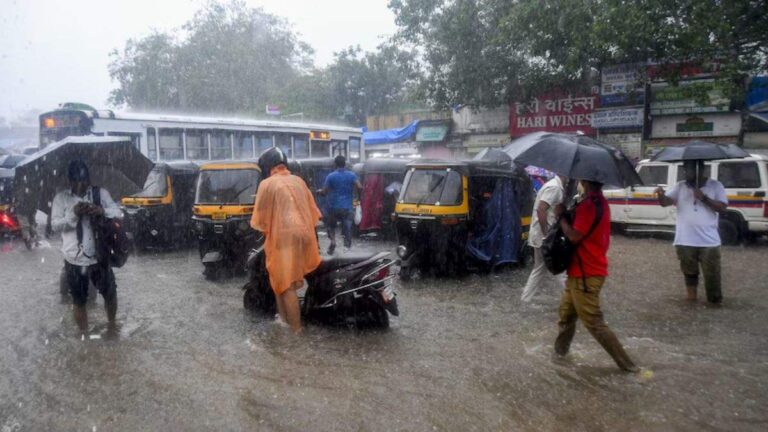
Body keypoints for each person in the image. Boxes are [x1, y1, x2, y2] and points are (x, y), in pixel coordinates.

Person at [553, 179, 638, 372]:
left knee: (594, 322)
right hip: (581, 272)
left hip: (586, 274)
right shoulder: (598, 201)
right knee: (566, 317)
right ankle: (559, 357)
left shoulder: (589, 205)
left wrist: (561, 218)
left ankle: (629, 367)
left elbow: (574, 236)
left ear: (584, 181)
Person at [250, 148, 322, 334]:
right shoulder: (299, 181)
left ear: (267, 166)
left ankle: (296, 331)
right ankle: (282, 320)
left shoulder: (267, 184)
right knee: (278, 279)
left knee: (287, 284)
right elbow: (313, 211)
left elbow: (261, 218)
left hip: (284, 236)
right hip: (304, 234)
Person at [51, 160, 122, 336]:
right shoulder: (61, 199)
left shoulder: (100, 194)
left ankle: (112, 326)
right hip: (74, 259)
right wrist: (73, 214)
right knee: (79, 300)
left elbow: (119, 212)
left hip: (100, 256)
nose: (81, 185)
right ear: (70, 181)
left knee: (110, 294)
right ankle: (84, 335)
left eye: (84, 180)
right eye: (77, 181)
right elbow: (55, 226)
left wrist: (101, 211)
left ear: (89, 178)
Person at [655, 160, 728, 304]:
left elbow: (722, 208)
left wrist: (704, 198)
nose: (686, 173)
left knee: (712, 275)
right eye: (685, 170)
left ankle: (714, 303)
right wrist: (660, 195)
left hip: (709, 241)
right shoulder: (680, 186)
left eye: (689, 169)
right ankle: (691, 301)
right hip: (685, 239)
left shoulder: (715, 185)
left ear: (700, 170)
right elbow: (665, 203)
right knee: (689, 273)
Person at [520, 174, 568, 303]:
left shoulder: (553, 185)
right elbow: (541, 210)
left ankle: (526, 298)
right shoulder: (555, 188)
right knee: (558, 268)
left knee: (539, 268)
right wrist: (546, 234)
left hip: (541, 235)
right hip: (545, 236)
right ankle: (572, 301)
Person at [317, 155, 362, 255]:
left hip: (333, 207)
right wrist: (355, 194)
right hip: (347, 207)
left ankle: (333, 241)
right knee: (347, 228)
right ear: (345, 164)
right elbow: (359, 187)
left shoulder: (331, 176)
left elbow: (324, 191)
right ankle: (346, 248)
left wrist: (319, 192)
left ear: (335, 164)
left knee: (330, 226)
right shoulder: (352, 175)